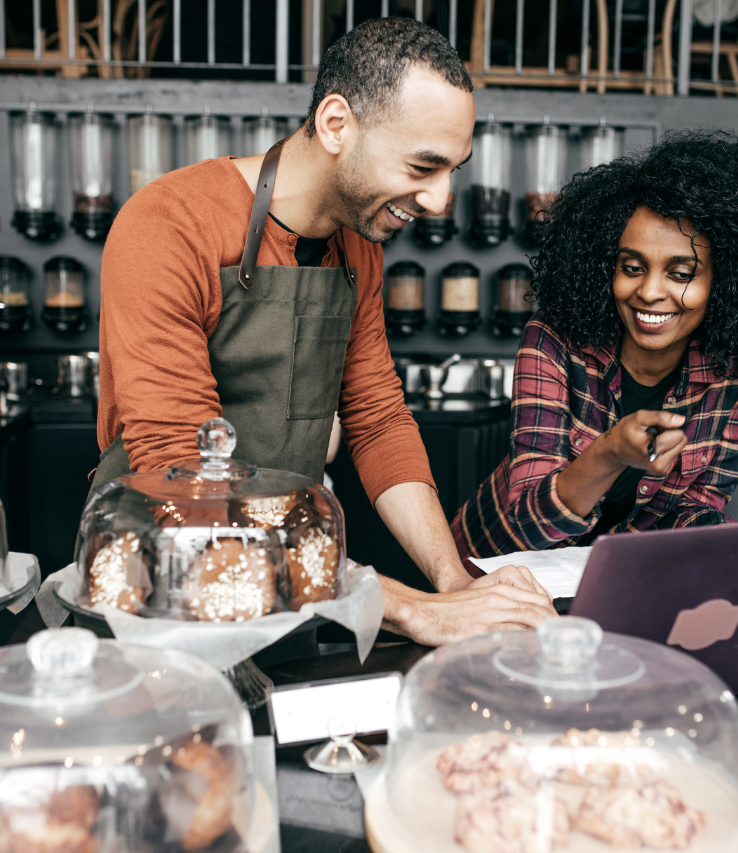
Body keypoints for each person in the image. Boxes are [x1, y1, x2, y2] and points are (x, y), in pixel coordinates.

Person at [97, 17, 556, 643]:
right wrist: (409, 607)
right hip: (162, 591)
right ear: (337, 123)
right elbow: (185, 482)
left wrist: (455, 584)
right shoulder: (169, 224)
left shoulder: (358, 244)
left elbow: (376, 417)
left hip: (296, 592)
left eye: (452, 169)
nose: (442, 201)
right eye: (423, 165)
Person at [453, 129, 738, 562]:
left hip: (616, 579)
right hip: (490, 571)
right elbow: (528, 521)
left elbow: (700, 503)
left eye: (680, 273)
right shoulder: (554, 338)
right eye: (632, 267)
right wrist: (611, 452)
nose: (649, 292)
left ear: (727, 281)